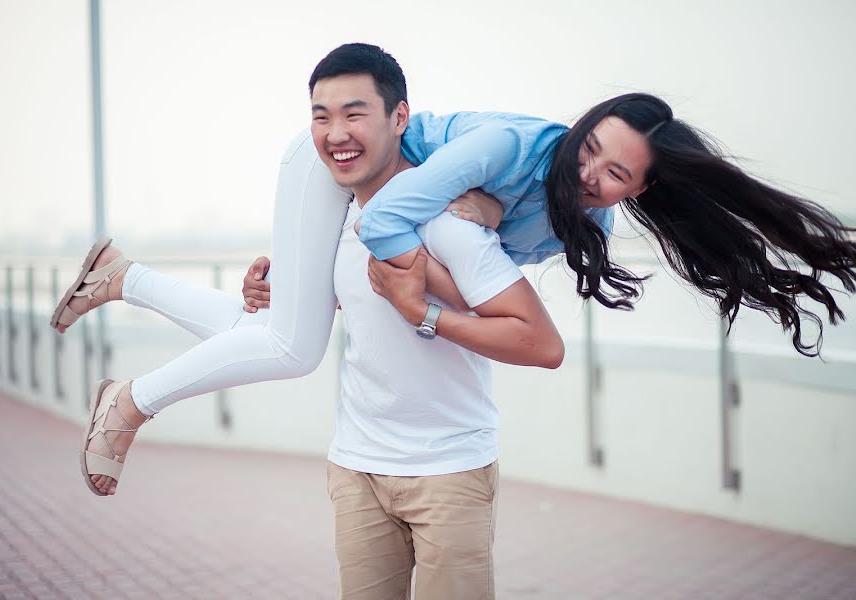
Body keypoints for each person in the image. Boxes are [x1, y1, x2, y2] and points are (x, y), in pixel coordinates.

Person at [55, 42, 856, 498]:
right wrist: (414, 283)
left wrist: (364, 271)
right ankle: (129, 403)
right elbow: (397, 226)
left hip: (369, 195)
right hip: (337, 160)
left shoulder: (589, 219)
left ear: (642, 190)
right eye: (591, 152)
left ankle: (125, 277)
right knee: (296, 345)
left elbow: (478, 267)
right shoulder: (507, 147)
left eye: (618, 176)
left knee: (284, 326)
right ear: (578, 132)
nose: (593, 178)